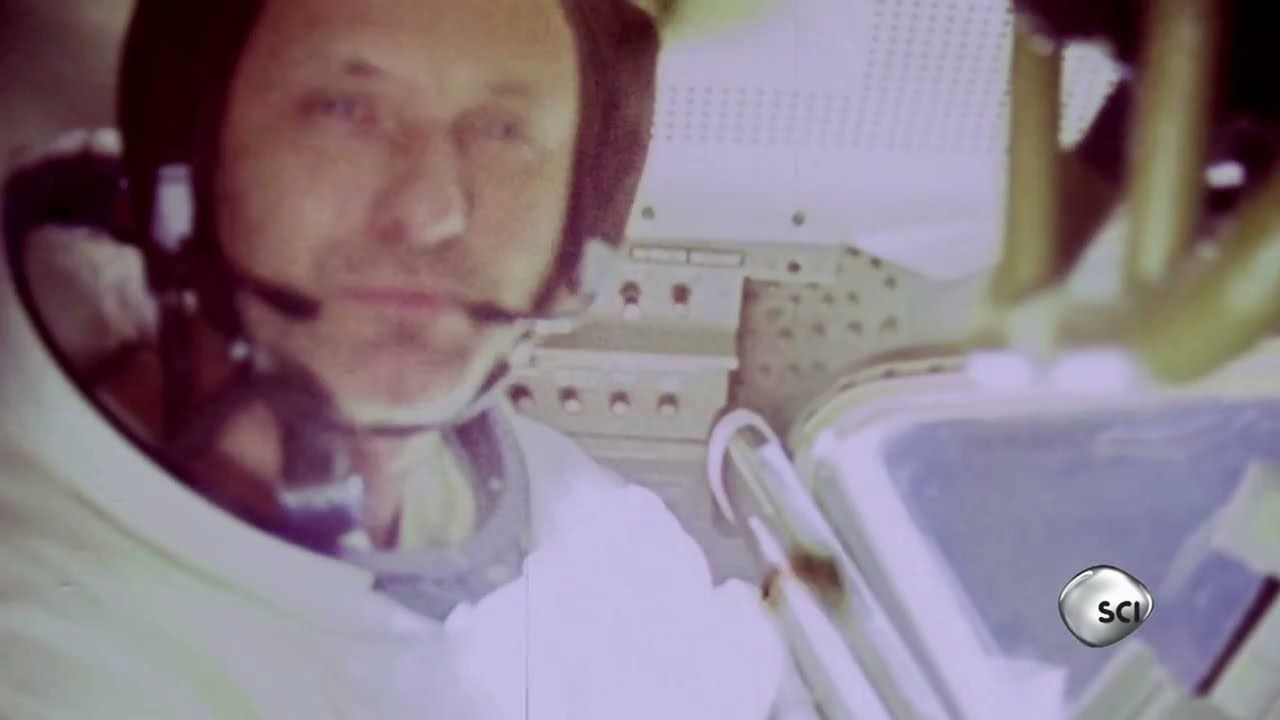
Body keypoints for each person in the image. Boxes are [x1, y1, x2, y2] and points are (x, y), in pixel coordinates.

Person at [0, 1, 794, 718]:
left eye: (503, 129)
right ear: (189, 169)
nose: (432, 209)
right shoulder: (53, 644)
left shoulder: (570, 521)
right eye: (345, 111)